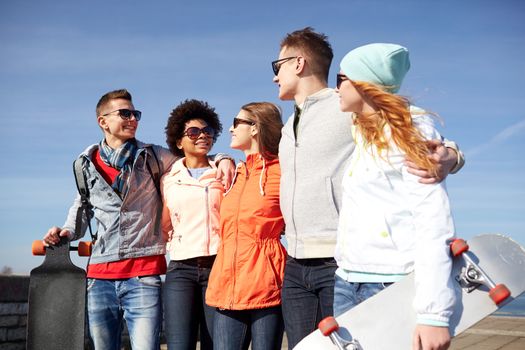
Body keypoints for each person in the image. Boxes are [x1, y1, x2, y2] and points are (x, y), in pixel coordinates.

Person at [271, 27, 464, 349]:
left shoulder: (350, 110)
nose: (275, 76)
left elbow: (432, 213)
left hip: (361, 267)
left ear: (298, 63)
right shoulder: (297, 124)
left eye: (278, 66)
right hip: (331, 267)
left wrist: (451, 155)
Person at [42, 89, 234, 350]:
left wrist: (223, 157)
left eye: (136, 114)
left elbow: (193, 158)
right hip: (99, 277)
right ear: (103, 121)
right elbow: (83, 206)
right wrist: (66, 232)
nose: (133, 118)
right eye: (125, 113)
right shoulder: (85, 164)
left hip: (143, 276)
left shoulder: (154, 156)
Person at [334, 43, 455, 350]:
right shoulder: (361, 129)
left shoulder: (410, 130)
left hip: (391, 285)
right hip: (347, 281)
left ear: (364, 84)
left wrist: (434, 314)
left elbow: (433, 220)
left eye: (341, 79)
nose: (335, 88)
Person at [205, 102, 286, 350]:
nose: (230, 128)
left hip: (266, 286)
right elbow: (191, 158)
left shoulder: (282, 171)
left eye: (236, 122)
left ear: (255, 128)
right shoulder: (233, 173)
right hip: (226, 284)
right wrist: (223, 158)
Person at [161, 99, 224, 350]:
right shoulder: (168, 179)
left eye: (207, 131)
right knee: (179, 345)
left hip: (218, 266)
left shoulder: (227, 171)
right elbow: (164, 223)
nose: (202, 136)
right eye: (193, 132)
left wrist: (224, 158)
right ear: (179, 141)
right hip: (180, 271)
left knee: (216, 344)